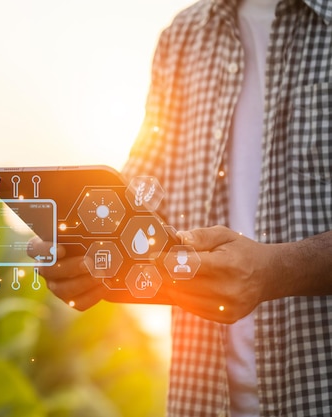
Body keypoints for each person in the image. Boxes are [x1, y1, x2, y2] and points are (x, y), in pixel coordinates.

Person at [31, 0, 332, 415]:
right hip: (204, 400)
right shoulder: (183, 37)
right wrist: (88, 253)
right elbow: (141, 198)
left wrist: (277, 271)